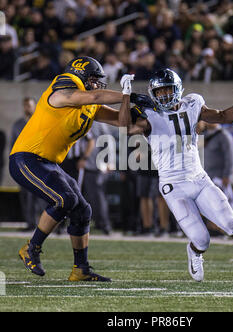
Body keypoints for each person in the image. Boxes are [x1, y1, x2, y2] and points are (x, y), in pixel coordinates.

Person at [118, 69, 233, 287]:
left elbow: (224, 117)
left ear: (178, 89)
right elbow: (125, 128)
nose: (165, 96)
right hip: (173, 186)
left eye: (169, 90)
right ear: (153, 94)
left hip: (199, 179)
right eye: (160, 92)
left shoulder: (193, 104)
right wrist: (125, 95)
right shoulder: (149, 116)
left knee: (232, 225)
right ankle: (194, 251)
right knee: (202, 239)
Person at [10, 56, 148, 282]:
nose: (96, 84)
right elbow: (93, 95)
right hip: (26, 158)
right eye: (93, 79)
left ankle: (80, 269)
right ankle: (31, 248)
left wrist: (148, 112)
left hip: (48, 162)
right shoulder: (63, 87)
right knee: (64, 199)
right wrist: (128, 95)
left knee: (82, 210)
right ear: (80, 76)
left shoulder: (89, 104)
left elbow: (124, 123)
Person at [11, 97, 41, 231]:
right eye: (25, 106)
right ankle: (30, 223)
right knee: (25, 195)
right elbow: (13, 145)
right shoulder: (18, 124)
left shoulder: (39, 122)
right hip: (22, 164)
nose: (27, 108)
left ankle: (41, 223)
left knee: (39, 196)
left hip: (37, 164)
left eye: (29, 105)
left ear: (34, 106)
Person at [203, 122, 233, 214]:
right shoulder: (204, 135)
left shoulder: (224, 136)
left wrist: (226, 176)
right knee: (210, 207)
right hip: (207, 177)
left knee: (222, 208)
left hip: (219, 178)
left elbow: (230, 157)